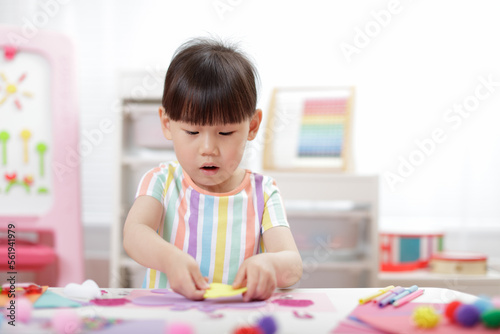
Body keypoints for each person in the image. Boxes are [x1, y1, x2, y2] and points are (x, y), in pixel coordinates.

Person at [123, 38, 302, 302]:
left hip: (239, 321)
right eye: (192, 131)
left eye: (225, 132)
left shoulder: (264, 193)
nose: (208, 148)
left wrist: (271, 266)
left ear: (252, 126)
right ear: (167, 124)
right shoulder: (160, 181)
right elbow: (135, 234)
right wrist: (170, 259)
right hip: (172, 320)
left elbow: (293, 264)